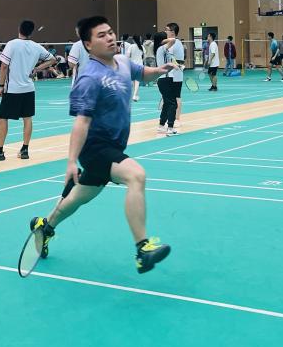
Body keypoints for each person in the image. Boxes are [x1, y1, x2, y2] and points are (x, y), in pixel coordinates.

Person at [26, 16, 176, 274]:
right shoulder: (89, 77)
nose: (109, 37)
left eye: (110, 32)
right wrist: (71, 161)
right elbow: (81, 122)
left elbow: (142, 73)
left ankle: (45, 226)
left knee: (78, 198)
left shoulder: (122, 62)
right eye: (101, 35)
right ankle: (143, 249)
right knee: (136, 176)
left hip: (114, 145)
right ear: (88, 45)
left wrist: (160, 70)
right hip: (95, 147)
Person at [0, 20, 56, 161]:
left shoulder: (12, 44)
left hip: (12, 90)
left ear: (19, 29)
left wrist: (1, 85)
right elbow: (52, 59)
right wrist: (37, 69)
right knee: (27, 119)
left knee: (2, 118)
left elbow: (4, 66)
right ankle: (24, 150)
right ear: (31, 32)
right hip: (28, 89)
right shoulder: (36, 46)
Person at [156, 23, 184, 134]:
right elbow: (172, 41)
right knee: (172, 103)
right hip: (166, 78)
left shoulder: (165, 49)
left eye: (167, 30)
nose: (166, 32)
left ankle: (163, 125)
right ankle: (169, 126)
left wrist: (177, 66)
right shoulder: (162, 48)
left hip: (169, 78)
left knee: (169, 103)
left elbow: (172, 61)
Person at [125, 36, 144, 101]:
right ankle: (135, 95)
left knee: (134, 81)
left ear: (133, 40)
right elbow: (144, 56)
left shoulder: (131, 46)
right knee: (137, 80)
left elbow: (127, 56)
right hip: (140, 65)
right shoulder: (142, 47)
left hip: (133, 65)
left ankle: (135, 94)